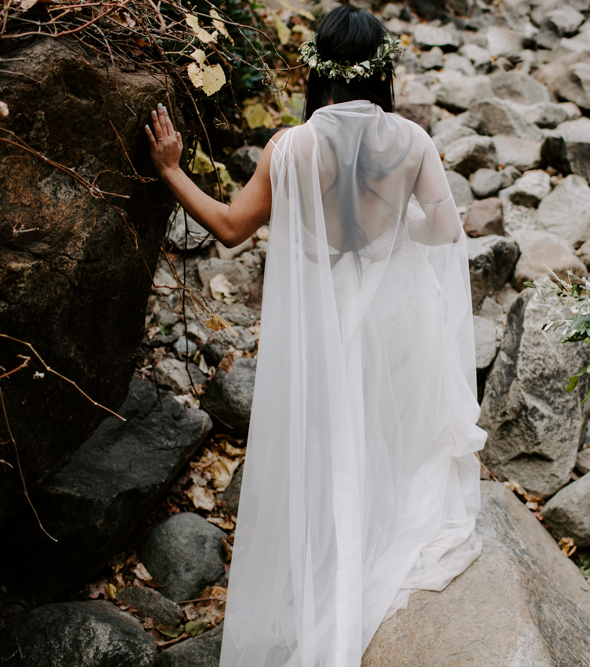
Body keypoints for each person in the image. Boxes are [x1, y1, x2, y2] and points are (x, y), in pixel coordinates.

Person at [146, 6, 486, 666]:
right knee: (382, 439)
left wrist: (169, 168)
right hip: (389, 323)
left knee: (326, 445)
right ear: (383, 71)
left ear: (320, 70)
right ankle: (371, 554)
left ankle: (324, 572)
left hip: (317, 328)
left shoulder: (291, 147)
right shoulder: (413, 142)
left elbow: (229, 226)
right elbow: (445, 233)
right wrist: (389, 240)